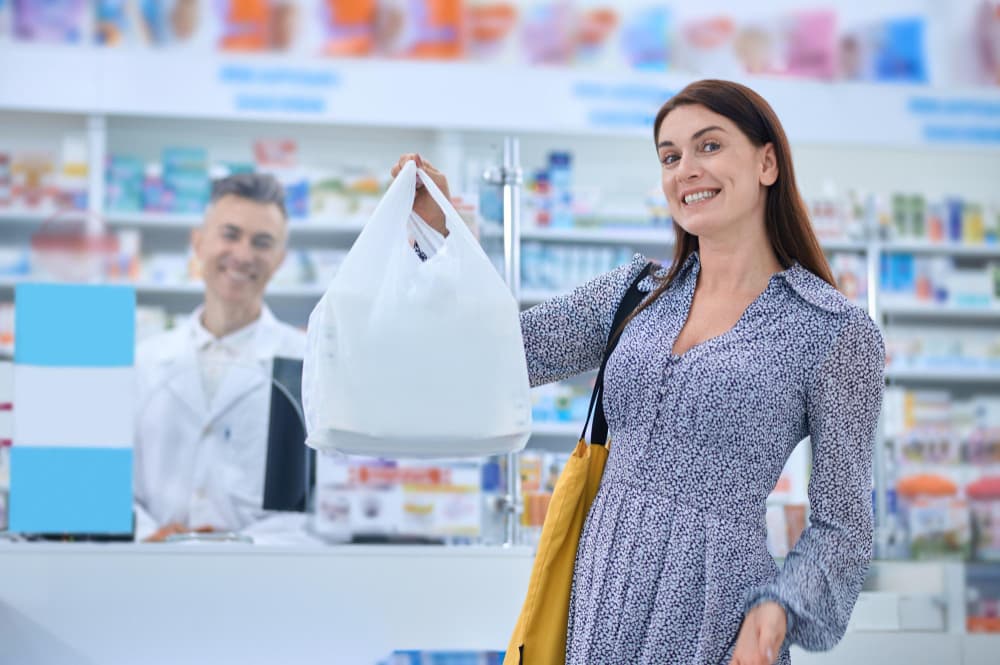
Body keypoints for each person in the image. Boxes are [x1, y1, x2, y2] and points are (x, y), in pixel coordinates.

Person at [391, 79, 885, 665]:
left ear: (767, 162)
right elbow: (499, 355)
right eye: (670, 157)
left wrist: (779, 607)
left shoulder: (835, 330)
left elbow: (844, 524)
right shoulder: (635, 292)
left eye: (709, 146)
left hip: (715, 614)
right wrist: (443, 235)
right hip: (599, 590)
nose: (686, 170)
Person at [133, 173, 306, 543]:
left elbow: (316, 503)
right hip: (151, 571)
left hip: (262, 579)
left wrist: (243, 546)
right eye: (230, 234)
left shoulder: (304, 365)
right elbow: (113, 484)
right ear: (198, 243)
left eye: (262, 242)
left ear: (279, 259)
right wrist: (149, 535)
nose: (243, 255)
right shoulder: (144, 362)